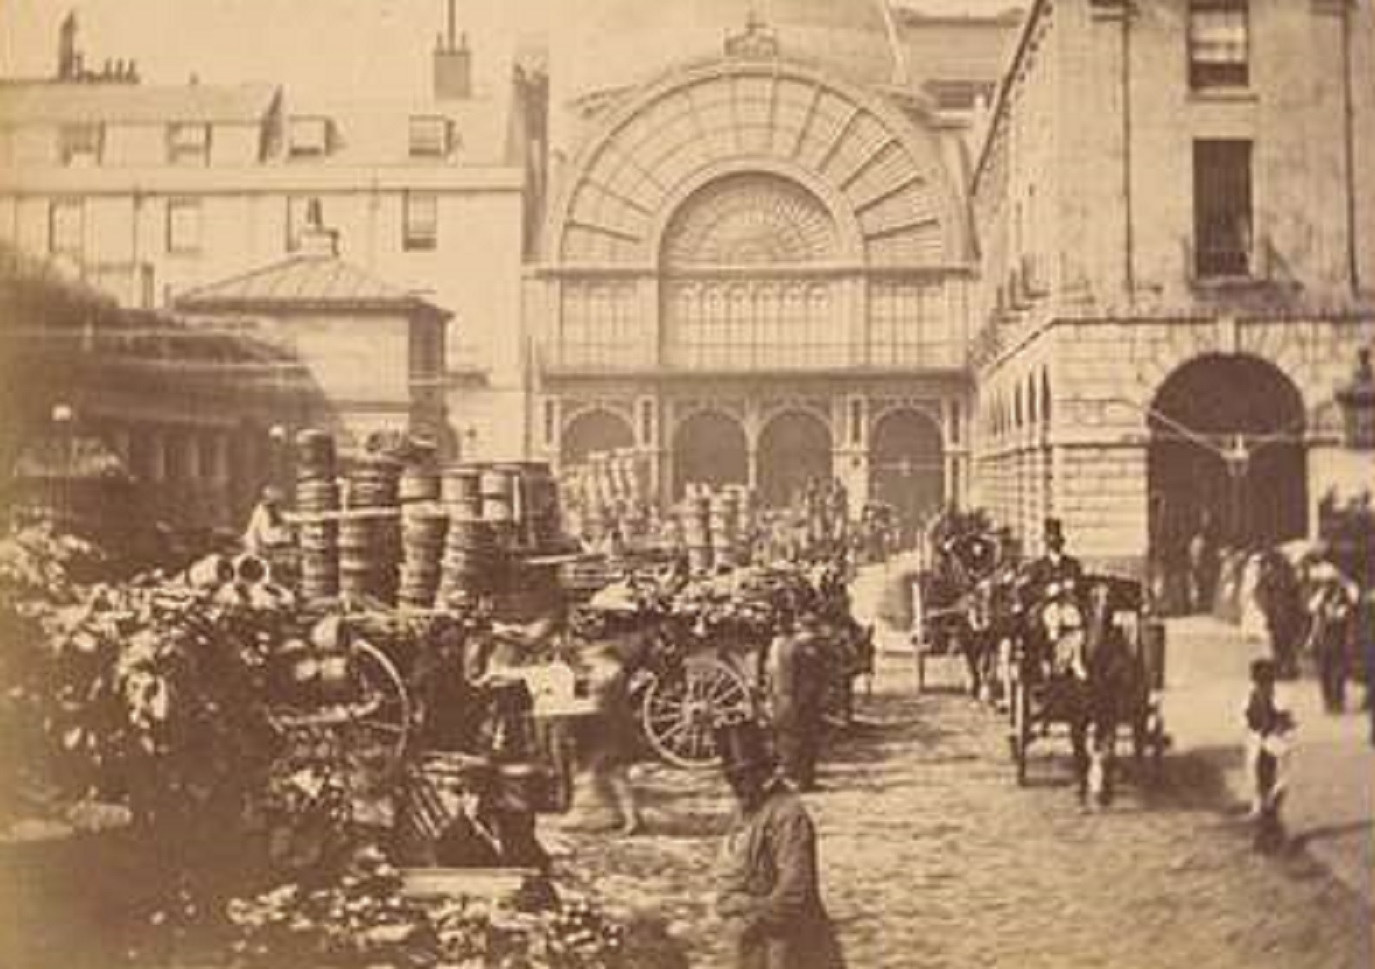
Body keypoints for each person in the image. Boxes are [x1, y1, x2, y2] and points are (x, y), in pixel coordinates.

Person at [714, 719, 845, 969]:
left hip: (793, 942)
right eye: (732, 778)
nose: (738, 786)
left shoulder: (788, 814)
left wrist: (749, 914)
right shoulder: (746, 811)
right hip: (755, 942)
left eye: (744, 776)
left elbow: (795, 891)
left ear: (764, 772)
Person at [766, 609, 828, 791]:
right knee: (804, 740)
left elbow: (770, 675)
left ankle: (792, 777)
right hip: (799, 701)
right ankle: (802, 780)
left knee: (787, 740)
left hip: (781, 698)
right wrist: (813, 699)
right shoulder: (804, 650)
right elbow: (809, 680)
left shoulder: (779, 647)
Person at [1244, 659, 1296, 853]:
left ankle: (1267, 824)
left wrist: (1273, 726)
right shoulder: (1263, 696)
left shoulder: (1259, 696)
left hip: (1267, 745)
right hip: (1271, 745)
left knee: (1267, 785)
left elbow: (1252, 720)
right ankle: (1269, 825)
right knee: (1274, 785)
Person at [1302, 548, 1358, 713]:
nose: (1329, 583)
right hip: (1324, 634)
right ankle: (1329, 701)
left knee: (1338, 669)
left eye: (1331, 581)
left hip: (1340, 633)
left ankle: (1337, 701)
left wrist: (1344, 585)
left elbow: (1354, 598)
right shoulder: (1321, 594)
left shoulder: (1345, 591)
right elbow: (1311, 608)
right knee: (1326, 670)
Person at [242, 485, 293, 555]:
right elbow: (255, 530)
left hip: (274, 542)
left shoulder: (275, 511)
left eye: (277, 502)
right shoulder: (261, 511)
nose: (276, 505)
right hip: (262, 544)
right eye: (273, 501)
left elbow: (282, 523)